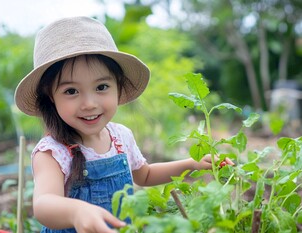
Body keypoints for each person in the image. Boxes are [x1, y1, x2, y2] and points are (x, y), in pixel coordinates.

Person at [14, 16, 233, 233]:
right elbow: (44, 205)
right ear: (50, 96)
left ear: (118, 86)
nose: (89, 104)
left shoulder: (120, 137)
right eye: (71, 91)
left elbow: (145, 175)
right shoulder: (53, 152)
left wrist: (192, 164)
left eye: (101, 87)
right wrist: (76, 212)